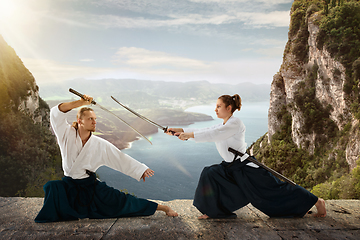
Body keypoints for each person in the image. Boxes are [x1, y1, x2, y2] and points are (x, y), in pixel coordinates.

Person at [167, 94, 326, 219]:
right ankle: (214, 212)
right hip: (231, 167)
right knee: (210, 173)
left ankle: (316, 201)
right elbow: (206, 130)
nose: (215, 109)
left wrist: (187, 134)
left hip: (246, 168)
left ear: (229, 108)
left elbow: (213, 134)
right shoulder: (223, 124)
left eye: (218, 106)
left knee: (275, 190)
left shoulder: (235, 123)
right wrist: (181, 131)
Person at [35, 94, 177, 223]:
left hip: (90, 186)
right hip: (68, 186)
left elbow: (120, 158)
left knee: (123, 201)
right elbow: (55, 112)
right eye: (90, 119)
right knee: (52, 187)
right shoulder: (65, 134)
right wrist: (80, 102)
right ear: (79, 120)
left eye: (95, 119)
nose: (94, 122)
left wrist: (140, 170)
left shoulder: (99, 144)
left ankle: (164, 208)